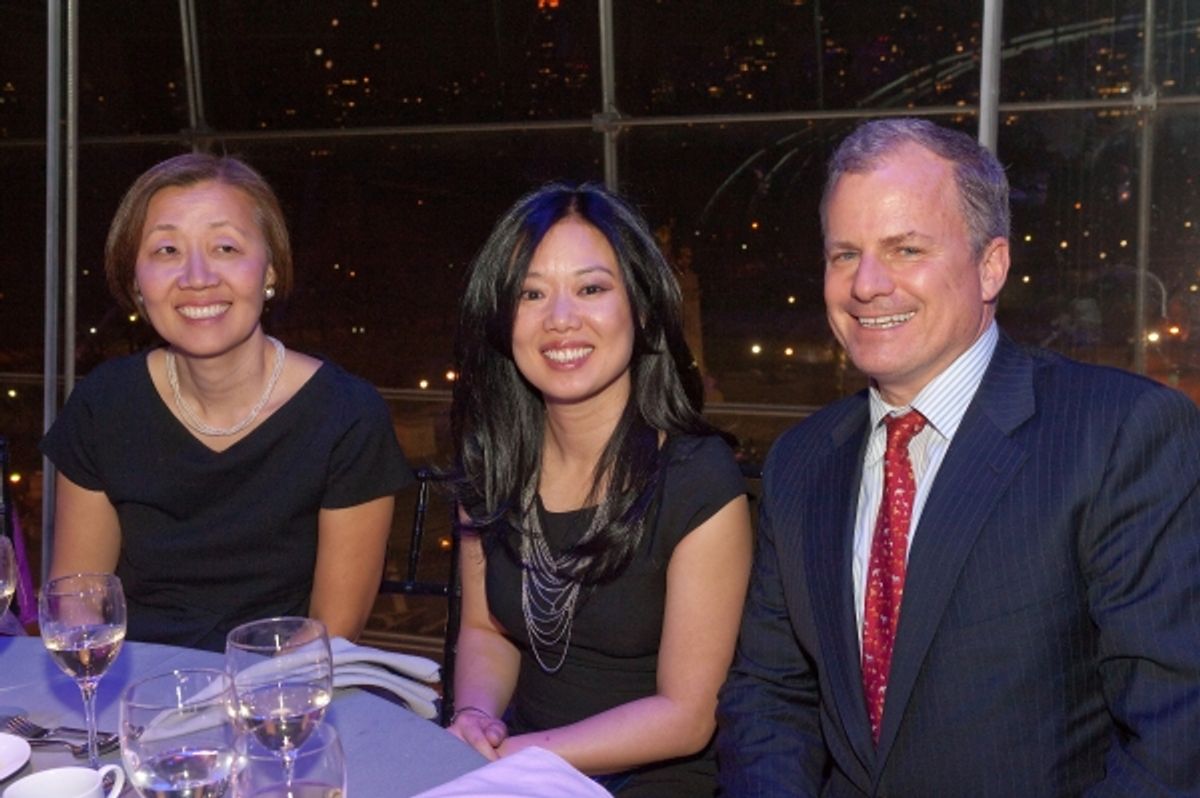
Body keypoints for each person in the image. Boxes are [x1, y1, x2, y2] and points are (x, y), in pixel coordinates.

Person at [716, 118, 1200, 795]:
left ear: (992, 264)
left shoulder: (1118, 434)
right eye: (843, 254)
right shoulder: (801, 461)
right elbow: (770, 695)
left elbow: (1174, 735)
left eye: (906, 248)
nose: (866, 285)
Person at [447, 182, 753, 795]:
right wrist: (476, 715)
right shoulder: (493, 466)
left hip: (650, 780)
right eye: (531, 293)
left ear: (640, 310)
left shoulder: (699, 480)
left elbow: (687, 716)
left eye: (591, 289)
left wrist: (515, 754)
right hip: (517, 771)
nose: (561, 319)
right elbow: (487, 631)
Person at [41, 153, 412, 652]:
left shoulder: (346, 417)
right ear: (136, 282)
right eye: (167, 249)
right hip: (136, 689)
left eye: (225, 247)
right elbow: (79, 602)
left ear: (270, 270)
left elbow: (331, 630)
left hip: (277, 693)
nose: (197, 276)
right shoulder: (102, 405)